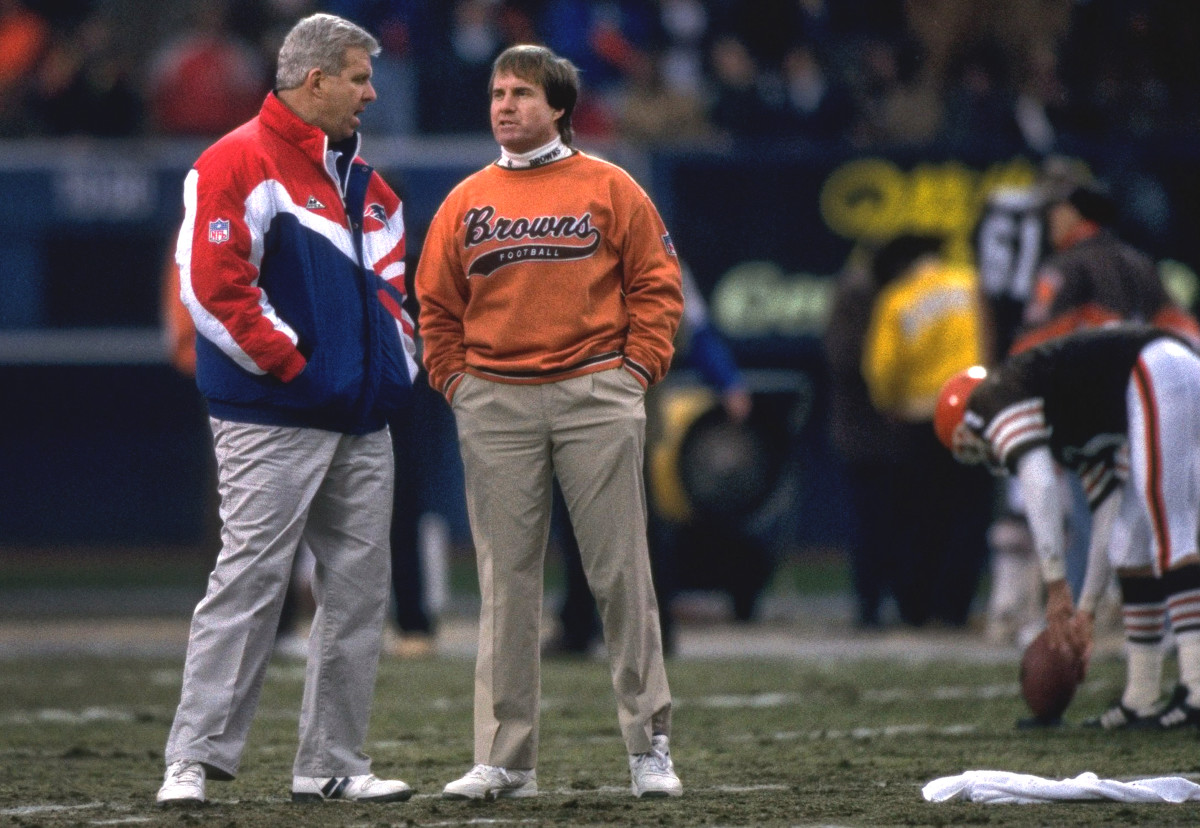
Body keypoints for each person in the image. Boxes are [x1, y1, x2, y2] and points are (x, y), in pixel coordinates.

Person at [155, 13, 418, 806]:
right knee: (249, 579)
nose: (372, 93)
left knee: (359, 590)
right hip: (272, 414)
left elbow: (397, 298)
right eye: (359, 78)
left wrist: (392, 372)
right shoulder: (234, 160)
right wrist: (296, 369)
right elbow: (211, 287)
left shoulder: (371, 185)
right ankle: (191, 760)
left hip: (362, 419)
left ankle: (330, 762)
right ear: (314, 82)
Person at [415, 44, 684, 799]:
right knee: (506, 583)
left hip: (595, 391)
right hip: (494, 398)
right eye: (497, 92)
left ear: (558, 107)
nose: (505, 104)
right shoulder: (465, 199)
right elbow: (435, 304)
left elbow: (658, 285)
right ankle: (506, 760)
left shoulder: (611, 185)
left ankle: (649, 748)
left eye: (522, 94)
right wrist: (456, 382)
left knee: (620, 573)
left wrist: (634, 371)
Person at [935, 324, 1200, 730]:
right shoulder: (1066, 423)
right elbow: (1108, 517)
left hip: (1157, 366)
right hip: (1164, 372)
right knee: (1130, 546)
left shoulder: (992, 397)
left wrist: (1056, 586)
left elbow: (1038, 481)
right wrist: (1087, 610)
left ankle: (1197, 688)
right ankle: (1142, 697)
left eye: (972, 448)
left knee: (1168, 523)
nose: (987, 457)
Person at [546, 262, 751, 656]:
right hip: (570, 398)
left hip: (625, 402)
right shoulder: (565, 238)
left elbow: (691, 324)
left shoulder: (652, 245)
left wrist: (726, 380)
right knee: (576, 521)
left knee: (636, 521)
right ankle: (579, 624)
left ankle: (652, 628)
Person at [860, 233, 993, 627]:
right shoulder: (971, 284)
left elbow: (881, 368)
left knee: (918, 516)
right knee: (968, 514)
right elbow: (992, 342)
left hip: (919, 417)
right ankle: (955, 608)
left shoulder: (897, 298)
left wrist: (889, 403)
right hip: (974, 409)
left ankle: (915, 608)